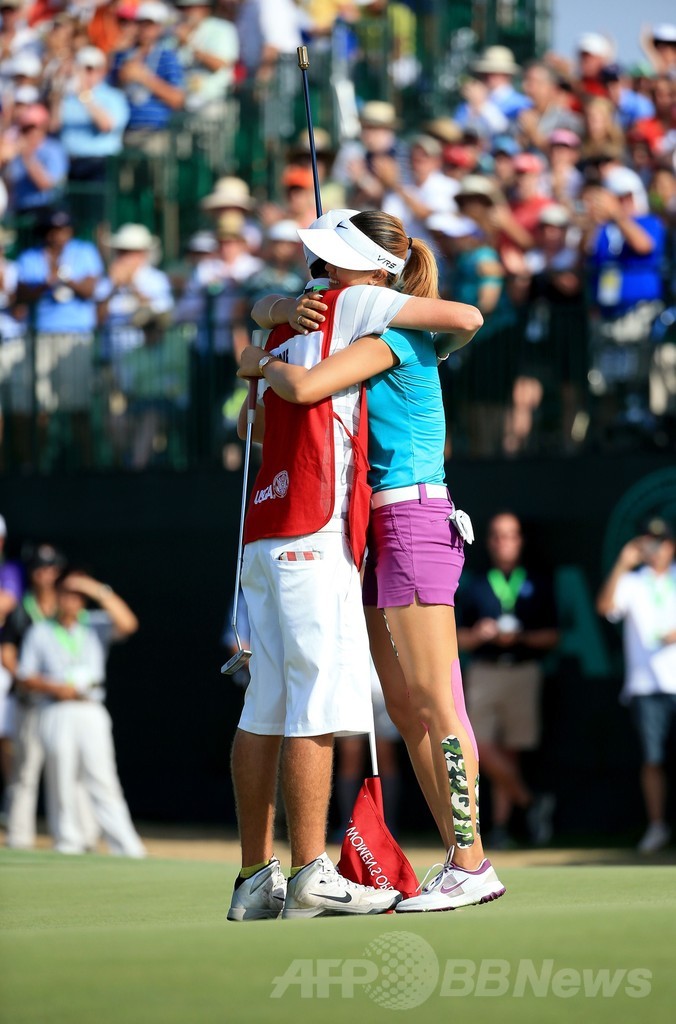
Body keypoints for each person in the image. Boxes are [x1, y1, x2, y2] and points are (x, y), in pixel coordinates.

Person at [237, 209, 505, 913]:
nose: (319, 273)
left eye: (332, 262)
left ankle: (471, 861)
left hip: (412, 517)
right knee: (409, 710)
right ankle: (459, 858)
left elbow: (303, 387)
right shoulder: (354, 326)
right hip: (377, 527)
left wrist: (264, 362)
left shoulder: (390, 334)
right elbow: (271, 402)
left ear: (372, 273)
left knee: (437, 701)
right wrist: (275, 324)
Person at [2, 545, 140, 851]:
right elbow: (24, 673)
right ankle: (67, 841)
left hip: (90, 709)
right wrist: (55, 688)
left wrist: (91, 587)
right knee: (60, 779)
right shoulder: (40, 630)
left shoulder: (94, 624)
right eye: (67, 593)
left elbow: (129, 623)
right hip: (54, 708)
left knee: (102, 778)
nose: (72, 600)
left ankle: (125, 846)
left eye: (77, 595)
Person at [456, 512, 559, 849]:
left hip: (523, 671)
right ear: (489, 541)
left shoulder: (538, 583)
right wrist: (480, 634)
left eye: (510, 535)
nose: (504, 542)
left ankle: (501, 828)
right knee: (480, 747)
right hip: (485, 672)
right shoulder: (476, 584)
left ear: (520, 540)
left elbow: (553, 635)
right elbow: (458, 637)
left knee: (510, 753)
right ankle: (530, 802)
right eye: (498, 535)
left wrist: (521, 637)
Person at [596, 516, 676, 854]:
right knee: (652, 759)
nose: (654, 549)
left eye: (660, 542)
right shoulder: (631, 581)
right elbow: (605, 607)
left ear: (671, 546)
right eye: (648, 542)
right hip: (645, 686)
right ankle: (657, 827)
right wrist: (622, 564)